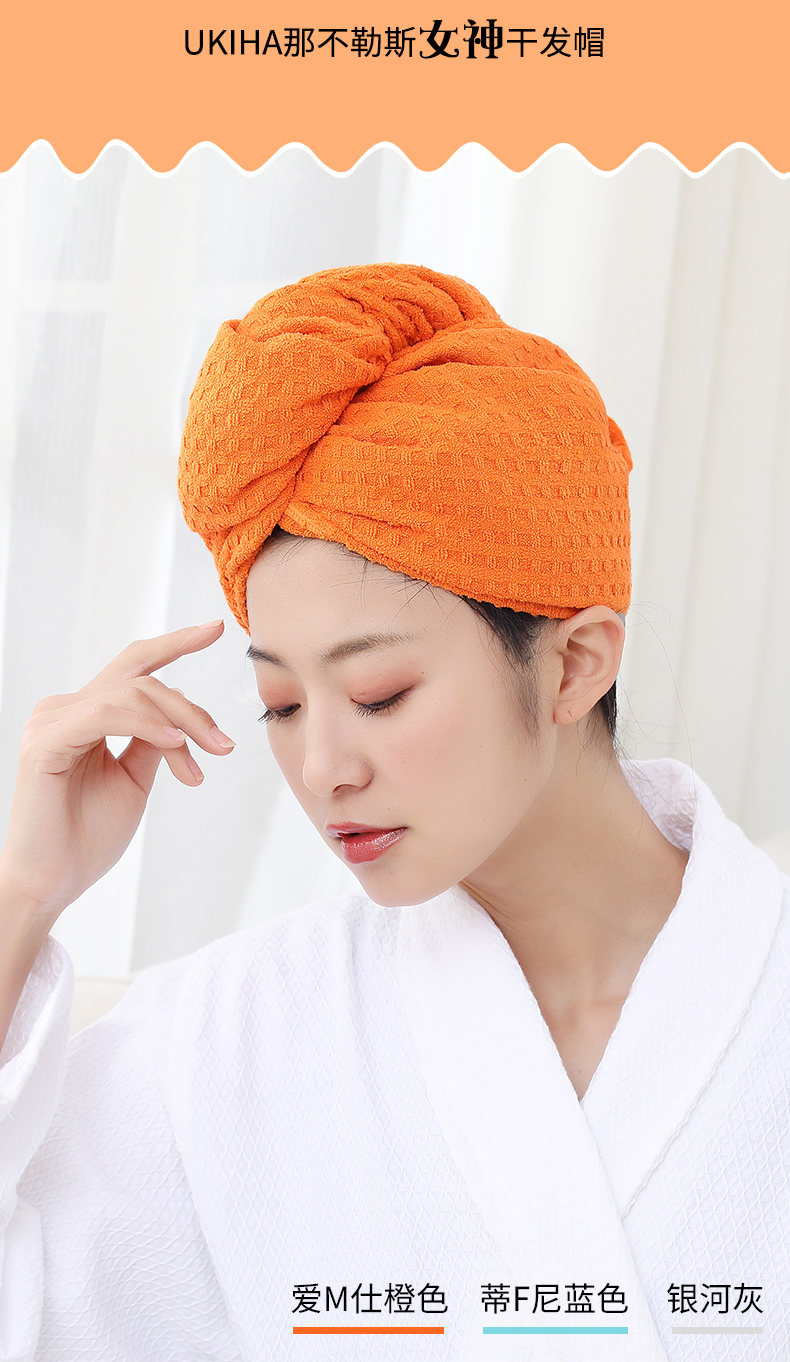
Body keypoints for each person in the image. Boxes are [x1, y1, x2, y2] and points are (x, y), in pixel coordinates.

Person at [0, 263, 787, 1362]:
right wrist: (24, 893)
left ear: (574, 665)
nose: (321, 768)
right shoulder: (232, 1038)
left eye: (378, 694)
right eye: (280, 704)